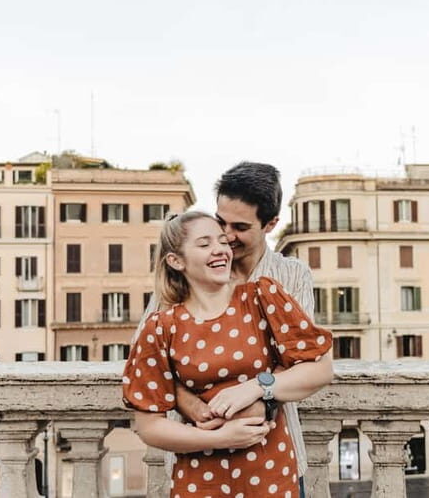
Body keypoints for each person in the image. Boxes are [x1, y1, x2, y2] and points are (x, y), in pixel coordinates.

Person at [134, 162, 318, 495]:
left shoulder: (290, 277)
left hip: (273, 459)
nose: (227, 237)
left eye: (240, 226)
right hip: (195, 459)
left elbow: (303, 361)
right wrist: (195, 409)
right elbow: (146, 364)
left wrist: (257, 396)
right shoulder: (186, 278)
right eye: (221, 223)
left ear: (270, 224)